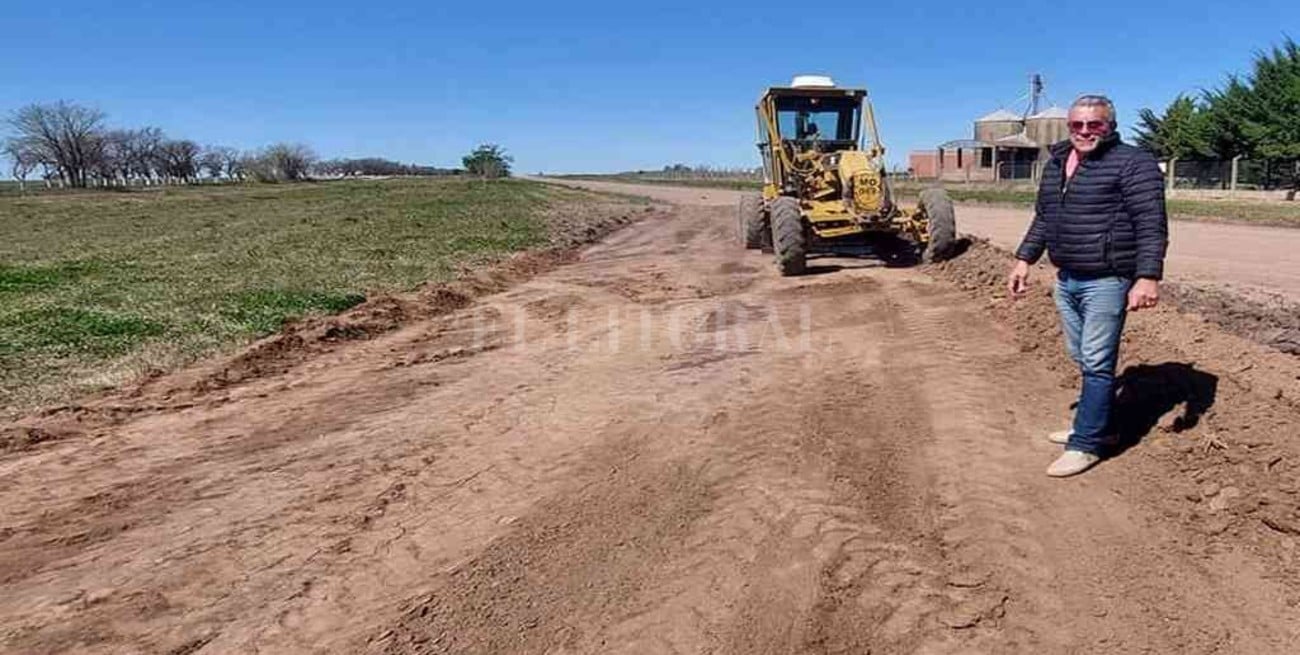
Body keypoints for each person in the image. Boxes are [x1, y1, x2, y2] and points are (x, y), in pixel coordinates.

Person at [1007, 94, 1169, 478]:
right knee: (1082, 356)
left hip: (1108, 279)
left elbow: (1151, 223)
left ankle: (1086, 444)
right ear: (1068, 126)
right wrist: (1023, 259)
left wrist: (1147, 276)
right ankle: (1100, 426)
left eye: (1093, 124)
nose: (1084, 132)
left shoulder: (1133, 163)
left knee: (1096, 362)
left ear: (1109, 126)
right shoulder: (1059, 161)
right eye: (1077, 125)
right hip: (1067, 277)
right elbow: (1045, 218)